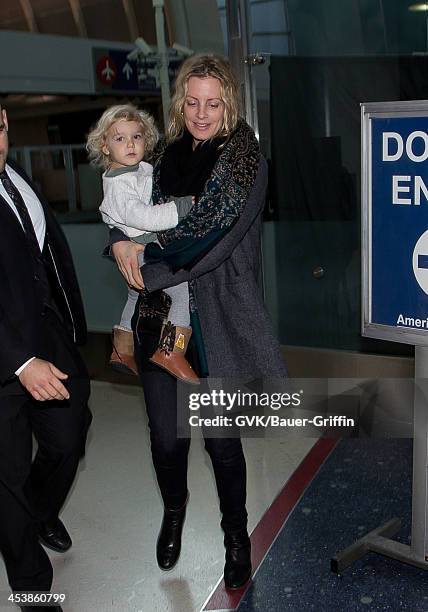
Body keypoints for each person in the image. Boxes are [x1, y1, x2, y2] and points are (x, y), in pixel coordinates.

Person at [110, 54, 286, 590]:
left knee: (221, 443)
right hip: (162, 315)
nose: (201, 113)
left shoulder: (245, 159)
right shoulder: (160, 154)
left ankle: (237, 540)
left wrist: (145, 261)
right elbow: (124, 203)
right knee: (166, 438)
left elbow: (214, 240)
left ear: (228, 103)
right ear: (179, 101)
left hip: (220, 318)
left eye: (213, 103)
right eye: (192, 101)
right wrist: (118, 240)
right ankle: (174, 510)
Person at [0, 105, 91, 612]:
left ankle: (35, 514)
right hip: (5, 362)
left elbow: (46, 260)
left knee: (69, 437)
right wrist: (19, 362)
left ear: (6, 122)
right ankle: (33, 588)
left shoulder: (20, 181)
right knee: (6, 476)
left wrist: (71, 332)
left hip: (51, 342)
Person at [88, 104, 197, 383]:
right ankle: (172, 350)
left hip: (137, 249)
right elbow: (144, 217)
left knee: (134, 295)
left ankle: (122, 349)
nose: (130, 144)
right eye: (120, 138)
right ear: (104, 146)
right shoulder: (120, 183)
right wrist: (181, 207)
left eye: (136, 137)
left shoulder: (135, 170)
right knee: (182, 290)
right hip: (142, 249)